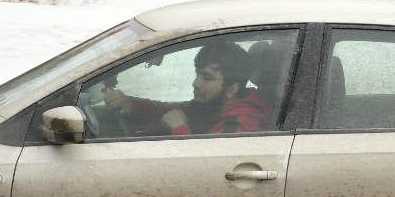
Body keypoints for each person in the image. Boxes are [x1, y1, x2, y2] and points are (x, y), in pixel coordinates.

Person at [102, 41, 273, 136]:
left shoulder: (239, 124)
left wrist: (180, 129)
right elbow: (174, 110)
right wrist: (131, 104)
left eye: (207, 78)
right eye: (198, 75)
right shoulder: (215, 106)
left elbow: (212, 170)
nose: (196, 83)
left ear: (232, 88)